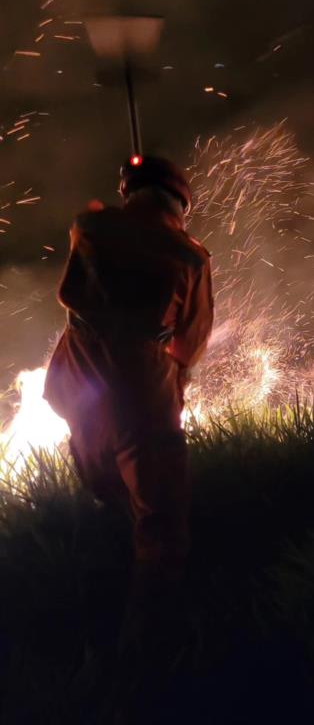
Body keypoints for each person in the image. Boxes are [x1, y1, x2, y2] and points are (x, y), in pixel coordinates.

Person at [44, 155, 213, 586]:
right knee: (161, 509)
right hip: (139, 384)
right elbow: (189, 344)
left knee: (101, 470)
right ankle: (153, 631)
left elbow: (77, 283)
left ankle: (106, 565)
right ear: (180, 203)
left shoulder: (89, 226)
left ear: (129, 192)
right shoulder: (190, 258)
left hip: (76, 373)